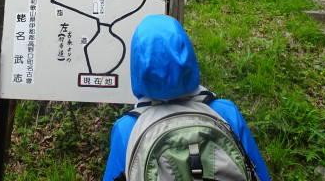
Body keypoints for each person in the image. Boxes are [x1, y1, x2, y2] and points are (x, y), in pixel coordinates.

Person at [103, 14, 271, 181]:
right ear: (188, 54)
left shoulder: (127, 128)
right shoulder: (226, 112)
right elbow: (259, 175)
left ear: (136, 63)